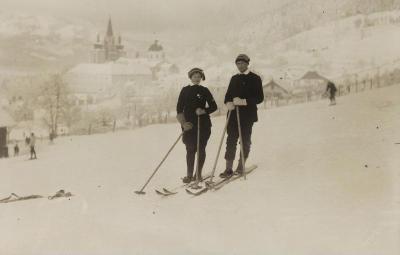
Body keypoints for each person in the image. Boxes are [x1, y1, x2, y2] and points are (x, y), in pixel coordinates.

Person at [219, 54, 264, 178]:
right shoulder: (234, 78)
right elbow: (228, 95)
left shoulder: (255, 78)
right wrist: (228, 103)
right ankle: (228, 168)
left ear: (247, 64)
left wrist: (244, 101)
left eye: (242, 63)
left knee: (245, 141)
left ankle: (240, 166)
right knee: (231, 140)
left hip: (247, 115)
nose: (240, 66)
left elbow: (260, 98)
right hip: (233, 115)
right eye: (238, 64)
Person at [176, 68, 218, 183]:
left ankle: (198, 174)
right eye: (194, 76)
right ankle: (189, 175)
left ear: (201, 78)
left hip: (203, 124)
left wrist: (204, 110)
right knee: (190, 149)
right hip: (189, 125)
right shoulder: (185, 90)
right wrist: (183, 123)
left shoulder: (204, 90)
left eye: (199, 76)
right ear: (190, 77)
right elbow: (179, 109)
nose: (197, 78)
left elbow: (214, 106)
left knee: (201, 149)